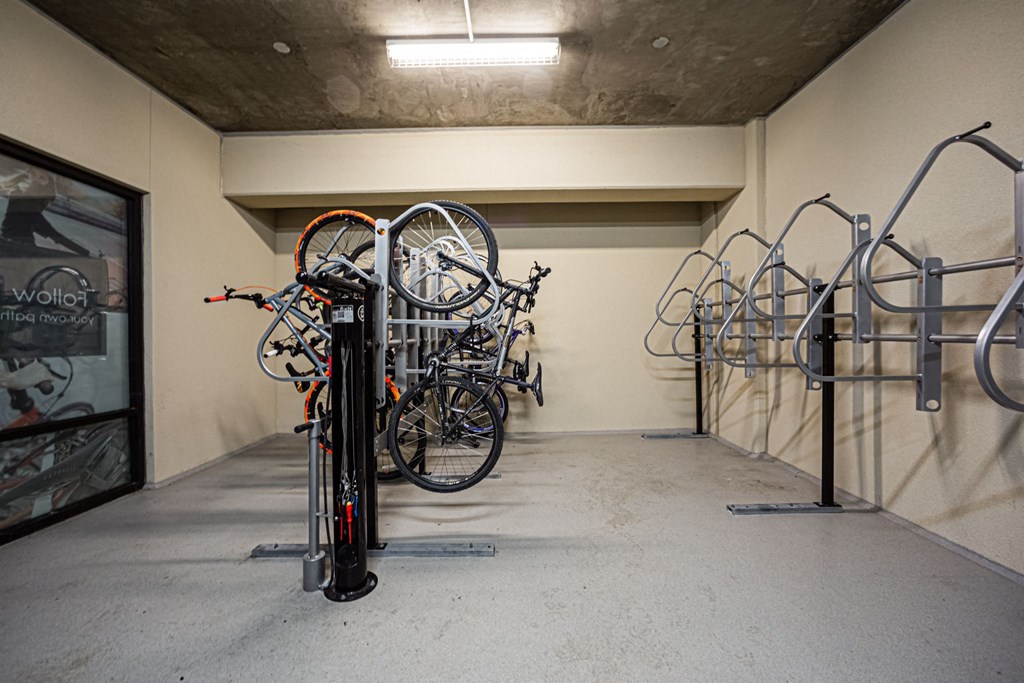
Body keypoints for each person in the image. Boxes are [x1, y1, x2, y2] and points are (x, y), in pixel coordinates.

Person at [0, 167, 91, 257]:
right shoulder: (20, 199)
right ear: (27, 174)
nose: (35, 179)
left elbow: (29, 224)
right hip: (17, 251)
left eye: (42, 178)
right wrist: (86, 253)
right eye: (33, 174)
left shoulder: (23, 201)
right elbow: (50, 232)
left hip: (14, 249)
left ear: (48, 186)